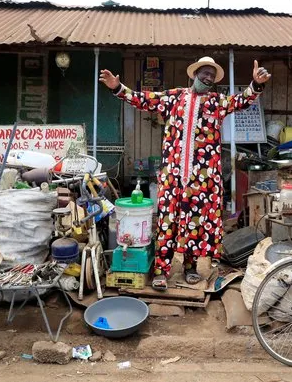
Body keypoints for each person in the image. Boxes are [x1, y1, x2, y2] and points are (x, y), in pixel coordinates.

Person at [100, 57, 271, 290]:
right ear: (194, 74)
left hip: (203, 178)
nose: (208, 77)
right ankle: (161, 269)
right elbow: (143, 100)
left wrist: (256, 84)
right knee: (168, 221)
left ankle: (190, 267)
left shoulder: (217, 102)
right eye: (205, 73)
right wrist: (117, 88)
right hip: (173, 175)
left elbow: (241, 101)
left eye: (212, 75)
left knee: (194, 223)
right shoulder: (173, 97)